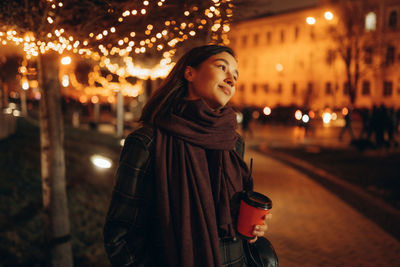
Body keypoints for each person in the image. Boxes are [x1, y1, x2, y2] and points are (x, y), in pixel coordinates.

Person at [103, 45, 271, 267]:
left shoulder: (233, 142)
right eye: (222, 67)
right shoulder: (148, 141)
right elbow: (119, 233)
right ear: (189, 73)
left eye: (235, 76)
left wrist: (252, 228)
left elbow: (228, 218)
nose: (231, 79)